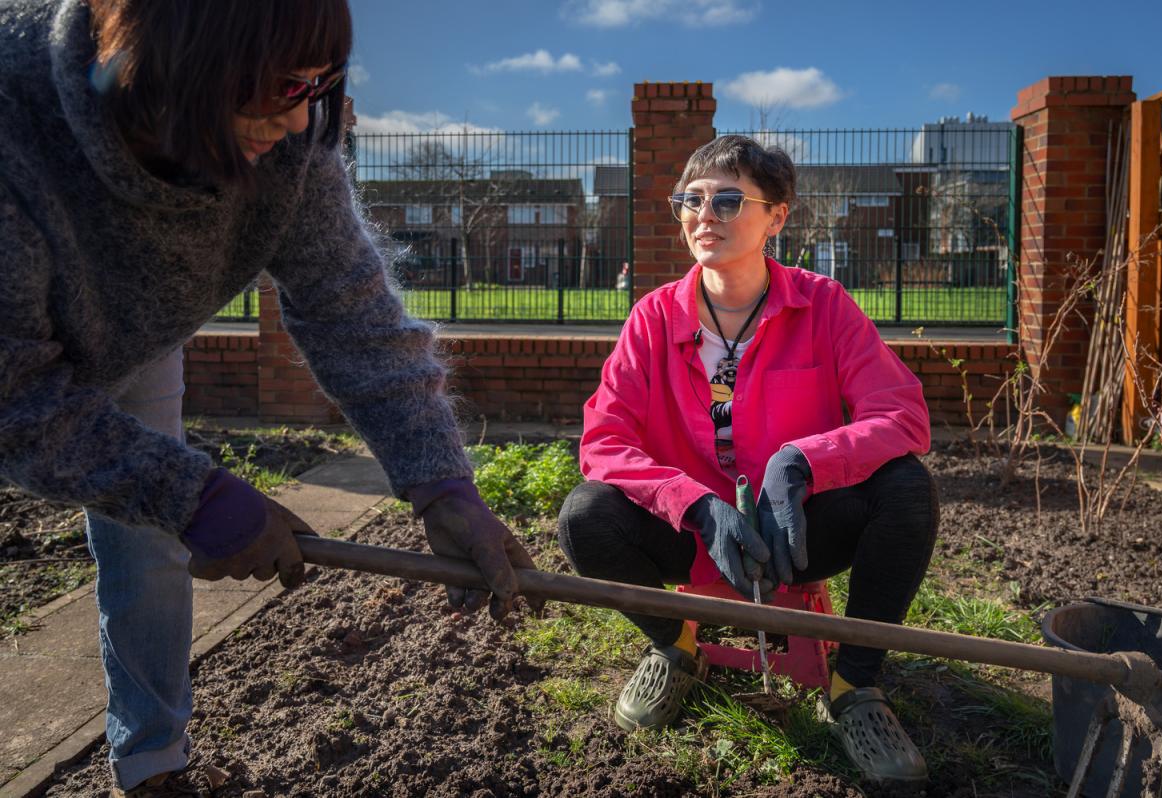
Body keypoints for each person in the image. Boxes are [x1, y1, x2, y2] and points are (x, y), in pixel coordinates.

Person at [0, 1, 538, 795]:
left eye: (318, 85)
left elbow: (352, 312)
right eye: (282, 86)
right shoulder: (16, 130)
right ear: (182, 57)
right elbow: (15, 398)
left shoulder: (289, 142)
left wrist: (440, 484)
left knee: (150, 544)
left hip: (135, 330)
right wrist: (190, 492)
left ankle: (152, 764)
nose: (297, 119)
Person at [557, 135, 939, 784]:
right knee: (585, 515)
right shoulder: (651, 319)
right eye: (691, 200)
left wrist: (803, 462)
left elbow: (901, 415)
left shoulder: (824, 306)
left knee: (906, 490)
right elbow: (603, 442)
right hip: (697, 538)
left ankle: (854, 688)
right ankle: (677, 649)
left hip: (795, 533)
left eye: (729, 200)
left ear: (777, 217)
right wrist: (695, 505)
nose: (705, 215)